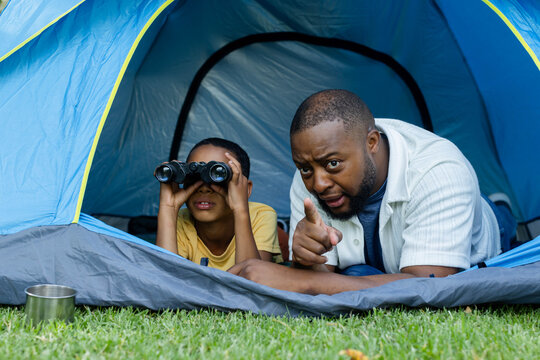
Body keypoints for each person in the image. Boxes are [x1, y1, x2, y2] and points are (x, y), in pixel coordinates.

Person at [229, 89, 516, 294]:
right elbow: (325, 279)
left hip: (478, 230)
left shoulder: (439, 170)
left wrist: (298, 280)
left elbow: (430, 283)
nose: (318, 184)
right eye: (305, 168)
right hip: (374, 265)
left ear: (372, 143)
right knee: (356, 277)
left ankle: (502, 211)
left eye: (333, 163)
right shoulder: (309, 172)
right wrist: (306, 260)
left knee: (498, 219)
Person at [156, 138, 281, 270]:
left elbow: (252, 282)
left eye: (218, 176)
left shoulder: (260, 215)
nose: (204, 188)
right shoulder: (180, 220)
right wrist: (168, 208)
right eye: (193, 177)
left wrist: (240, 208)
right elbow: (163, 281)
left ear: (246, 189)